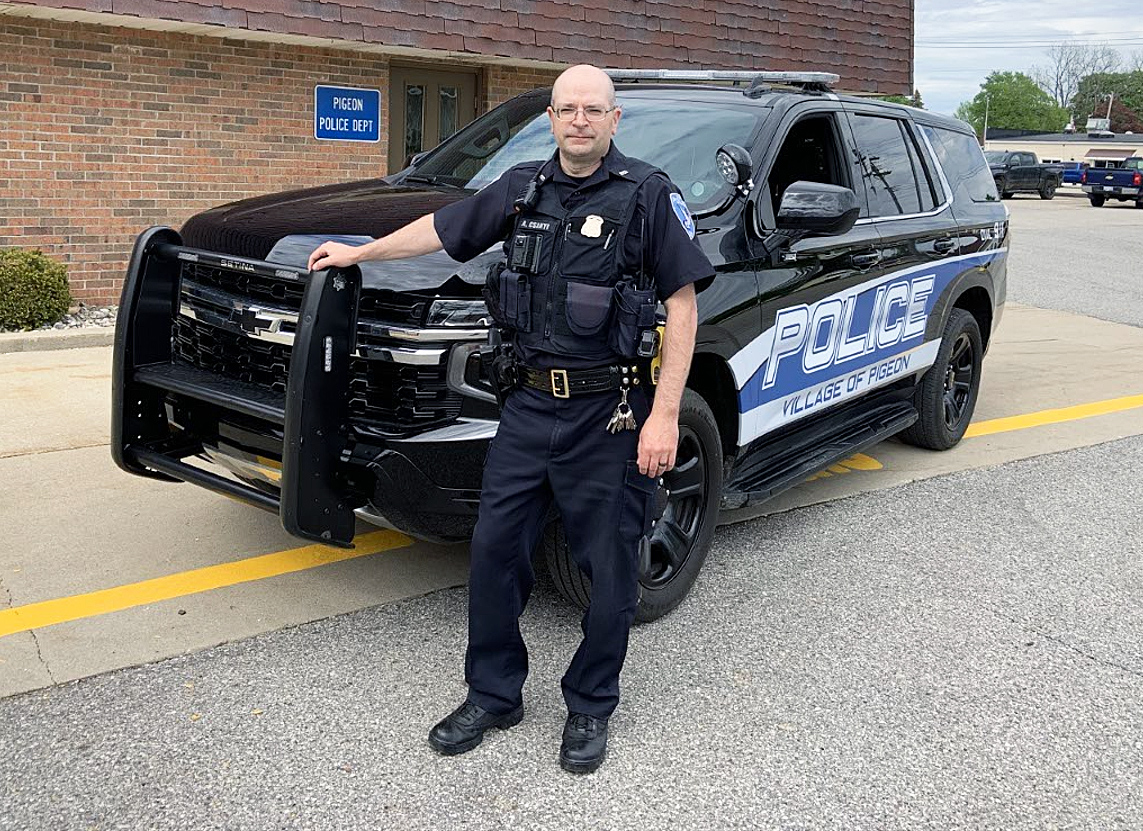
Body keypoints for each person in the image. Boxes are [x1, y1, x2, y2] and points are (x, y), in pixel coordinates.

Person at [309, 64, 713, 774]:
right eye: (567, 109)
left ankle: (590, 703)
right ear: (551, 119)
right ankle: (494, 694)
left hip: (610, 414)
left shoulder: (647, 194)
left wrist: (665, 416)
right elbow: (438, 229)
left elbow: (681, 307)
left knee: (609, 566)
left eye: (593, 109)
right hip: (526, 409)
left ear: (614, 120)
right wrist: (360, 253)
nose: (579, 120)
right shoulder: (522, 186)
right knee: (494, 552)